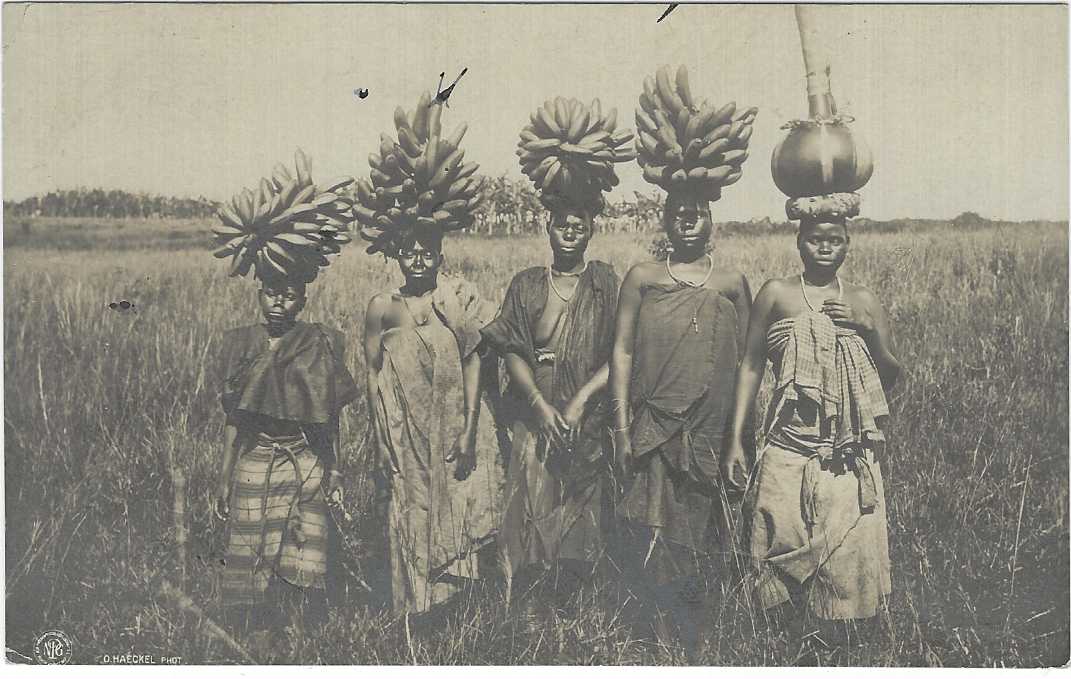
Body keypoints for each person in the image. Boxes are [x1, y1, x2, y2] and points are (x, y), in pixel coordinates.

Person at [723, 215, 900, 637]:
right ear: (799, 243)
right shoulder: (777, 294)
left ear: (847, 244)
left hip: (846, 452)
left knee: (844, 554)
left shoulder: (863, 300)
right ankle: (781, 643)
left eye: (834, 240)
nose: (825, 247)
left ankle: (839, 642)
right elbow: (749, 366)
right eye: (815, 239)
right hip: (787, 446)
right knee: (778, 541)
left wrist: (867, 329)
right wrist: (735, 439)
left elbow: (892, 376)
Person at [608, 190, 752, 657]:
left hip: (710, 431)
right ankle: (654, 637)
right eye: (678, 212)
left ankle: (696, 638)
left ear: (712, 218)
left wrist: (737, 439)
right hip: (655, 427)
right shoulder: (643, 279)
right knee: (654, 534)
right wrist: (623, 428)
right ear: (665, 220)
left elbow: (749, 363)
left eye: (698, 211)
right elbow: (623, 352)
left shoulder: (732, 283)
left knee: (702, 536)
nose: (688, 219)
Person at [481, 187, 620, 617]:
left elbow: (621, 354)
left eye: (579, 225)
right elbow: (511, 350)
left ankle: (574, 606)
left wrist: (580, 400)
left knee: (579, 513)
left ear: (591, 231)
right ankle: (528, 608)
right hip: (534, 412)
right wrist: (539, 405)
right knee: (531, 507)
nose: (570, 233)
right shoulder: (526, 285)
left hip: (587, 416)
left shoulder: (604, 284)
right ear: (548, 227)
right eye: (563, 224)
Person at [363, 229, 504, 619]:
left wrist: (469, 429)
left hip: (450, 424)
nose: (419, 259)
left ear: (440, 255)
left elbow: (474, 360)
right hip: (402, 428)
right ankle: (415, 612)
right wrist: (379, 439)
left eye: (427, 251)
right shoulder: (383, 306)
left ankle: (456, 613)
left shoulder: (453, 300)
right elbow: (373, 375)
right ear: (398, 256)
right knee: (411, 505)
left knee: (456, 506)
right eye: (410, 251)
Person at [215, 273, 359, 646]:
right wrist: (224, 475)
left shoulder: (319, 341)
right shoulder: (241, 342)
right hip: (258, 456)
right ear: (259, 295)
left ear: (303, 301)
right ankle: (256, 630)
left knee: (305, 550)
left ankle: (298, 632)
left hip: (305, 458)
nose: (279, 303)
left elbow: (329, 416)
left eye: (290, 295)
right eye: (271, 294)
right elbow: (235, 419)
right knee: (251, 548)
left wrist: (335, 469)